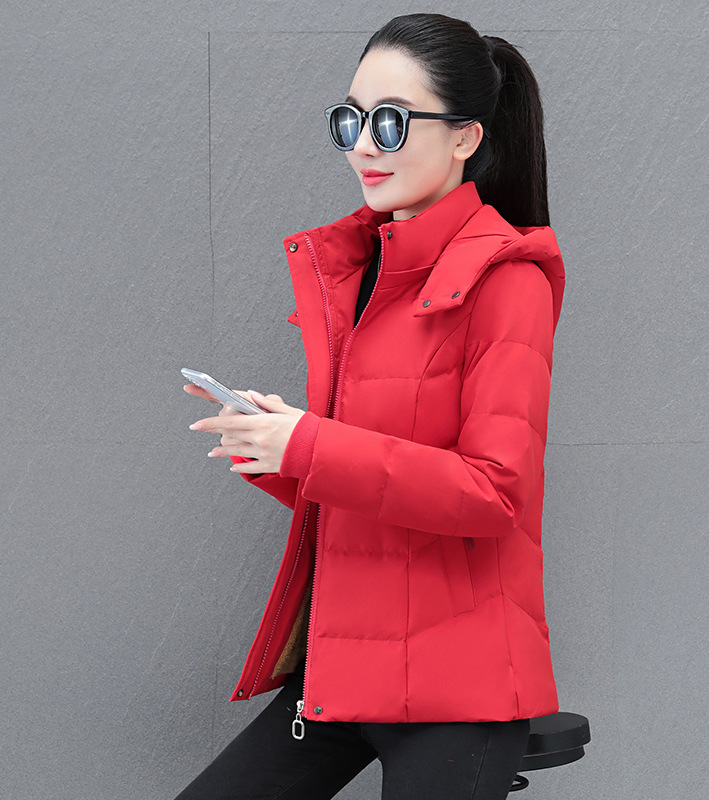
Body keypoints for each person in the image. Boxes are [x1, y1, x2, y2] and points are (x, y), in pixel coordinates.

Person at [178, 12, 565, 800]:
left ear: (464, 138)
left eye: (390, 122)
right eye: (350, 120)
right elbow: (372, 485)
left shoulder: (507, 281)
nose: (362, 145)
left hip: (458, 688)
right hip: (346, 667)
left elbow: (494, 492)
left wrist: (310, 446)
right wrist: (278, 449)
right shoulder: (362, 272)